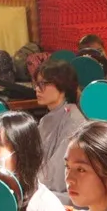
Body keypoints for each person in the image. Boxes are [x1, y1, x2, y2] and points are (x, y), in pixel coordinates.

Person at [34, 56, 87, 194]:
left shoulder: (74, 120)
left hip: (62, 194)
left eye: (43, 84)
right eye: (37, 84)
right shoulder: (46, 119)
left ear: (62, 86)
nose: (37, 89)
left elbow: (58, 173)